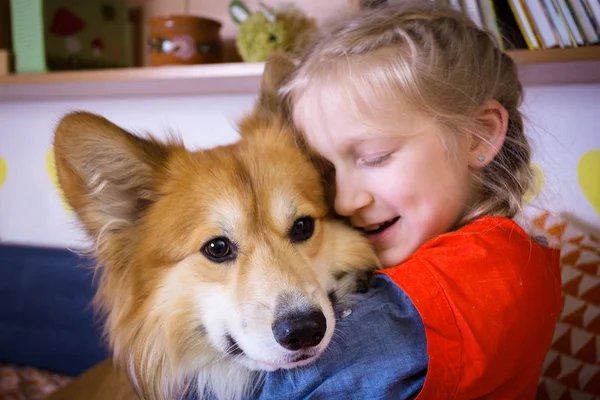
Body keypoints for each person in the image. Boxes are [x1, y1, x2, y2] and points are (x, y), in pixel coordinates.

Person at [252, 1, 563, 399]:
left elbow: (288, 383)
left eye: (375, 157)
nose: (344, 201)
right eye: (326, 172)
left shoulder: (489, 268)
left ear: (480, 136)